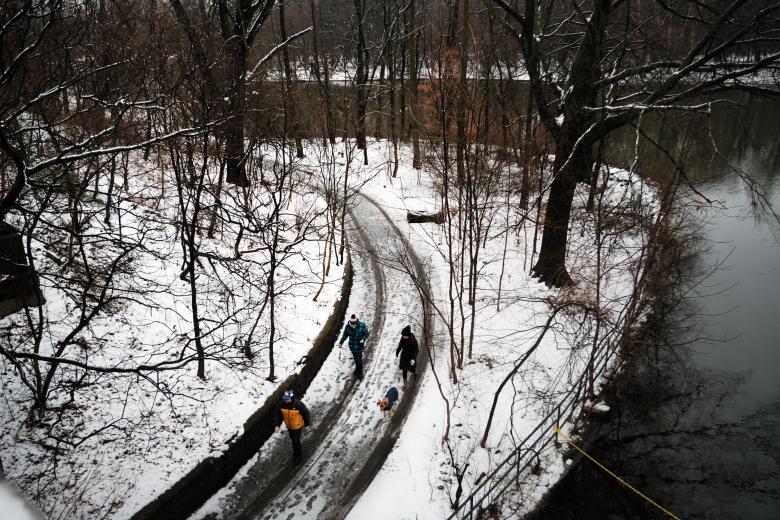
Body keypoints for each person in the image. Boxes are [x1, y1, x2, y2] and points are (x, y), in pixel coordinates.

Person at [275, 389, 310, 465]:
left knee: (295, 441)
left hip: (297, 426)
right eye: (285, 399)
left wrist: (307, 424)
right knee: (294, 440)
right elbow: (279, 414)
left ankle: (297, 456)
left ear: (291, 398)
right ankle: (297, 450)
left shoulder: (298, 404)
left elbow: (306, 413)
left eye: (287, 399)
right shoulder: (281, 404)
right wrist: (277, 424)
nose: (286, 400)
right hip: (289, 426)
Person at [339, 314, 370, 379]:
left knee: (359, 360)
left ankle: (360, 372)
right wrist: (341, 342)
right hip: (352, 346)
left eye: (354, 324)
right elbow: (345, 335)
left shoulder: (362, 325)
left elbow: (366, 333)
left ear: (356, 322)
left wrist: (363, 339)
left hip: (359, 346)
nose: (353, 326)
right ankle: (357, 369)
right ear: (350, 322)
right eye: (352, 324)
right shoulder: (347, 327)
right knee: (356, 359)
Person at [396, 325, 419, 391]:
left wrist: (413, 359)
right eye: (403, 336)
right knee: (404, 368)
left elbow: (416, 350)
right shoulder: (403, 338)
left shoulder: (413, 340)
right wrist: (397, 351)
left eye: (405, 336)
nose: (403, 337)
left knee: (412, 367)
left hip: (411, 357)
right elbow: (400, 345)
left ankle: (414, 372)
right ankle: (405, 383)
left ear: (408, 335)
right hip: (404, 356)